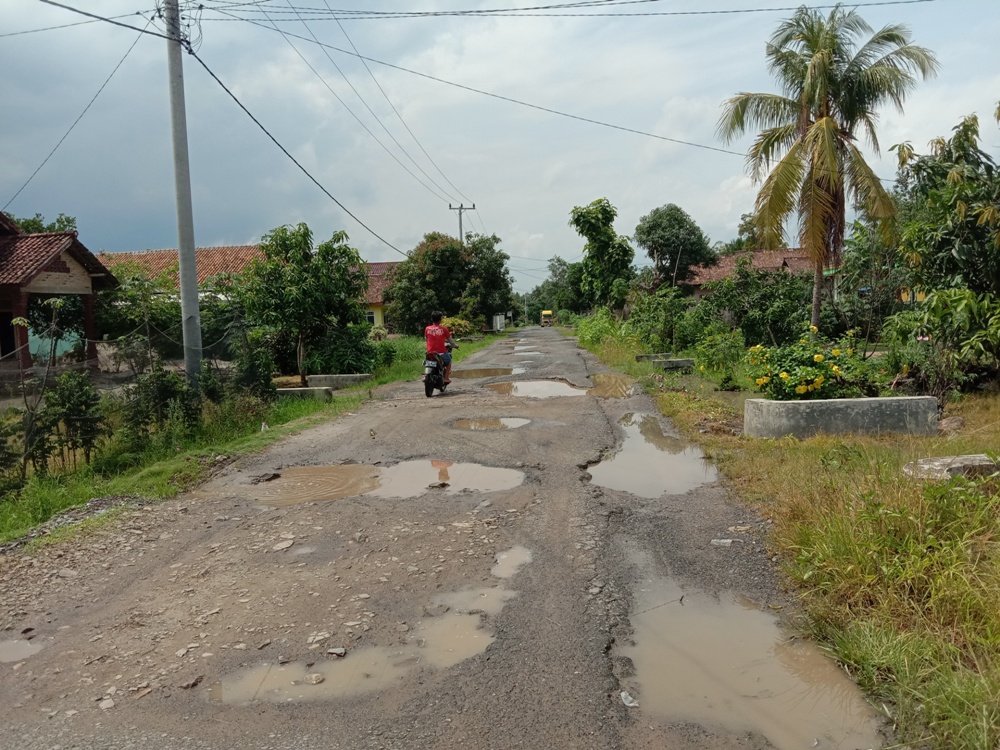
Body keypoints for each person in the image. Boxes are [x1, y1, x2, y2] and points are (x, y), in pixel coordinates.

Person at [424, 311, 456, 384]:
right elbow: (450, 341)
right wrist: (455, 346)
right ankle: (446, 378)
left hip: (430, 352)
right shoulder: (444, 329)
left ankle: (425, 376)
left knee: (428, 362)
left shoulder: (427, 328)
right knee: (449, 362)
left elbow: (426, 339)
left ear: (432, 319)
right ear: (440, 319)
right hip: (441, 353)